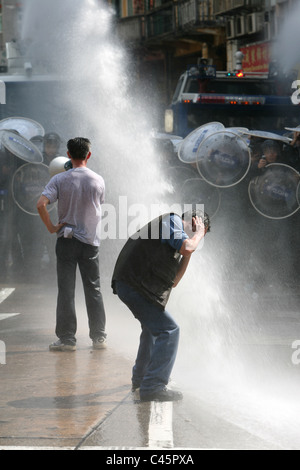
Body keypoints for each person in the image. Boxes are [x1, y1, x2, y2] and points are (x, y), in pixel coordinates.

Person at [111, 209, 210, 402]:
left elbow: (174, 281)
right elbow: (188, 246)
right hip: (132, 284)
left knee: (151, 329)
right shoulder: (172, 220)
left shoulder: (178, 240)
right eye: (198, 230)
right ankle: (153, 386)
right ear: (194, 221)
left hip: (132, 284)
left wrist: (188, 253)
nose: (196, 238)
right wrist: (197, 235)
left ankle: (141, 380)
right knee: (170, 330)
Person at [37, 137, 107, 351]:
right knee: (93, 288)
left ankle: (67, 339)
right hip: (90, 242)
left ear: (68, 155)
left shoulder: (59, 179)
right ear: (89, 155)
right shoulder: (98, 180)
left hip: (66, 240)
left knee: (66, 290)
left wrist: (51, 227)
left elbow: (40, 204)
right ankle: (99, 337)